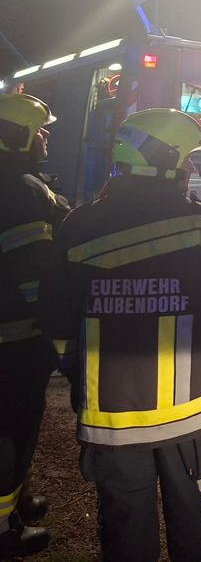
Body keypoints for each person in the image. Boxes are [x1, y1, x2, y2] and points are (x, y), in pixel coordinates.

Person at [39, 109, 201, 562]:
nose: (192, 168)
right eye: (185, 158)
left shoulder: (78, 226)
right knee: (195, 515)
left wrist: (79, 372)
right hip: (188, 415)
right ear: (162, 161)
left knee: (124, 526)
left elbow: (57, 320)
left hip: (111, 417)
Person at [0, 94, 69, 559]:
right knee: (13, 429)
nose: (46, 136)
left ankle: (18, 501)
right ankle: (5, 530)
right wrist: (57, 331)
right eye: (39, 130)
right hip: (15, 336)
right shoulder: (22, 191)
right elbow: (36, 275)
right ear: (16, 134)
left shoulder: (21, 184)